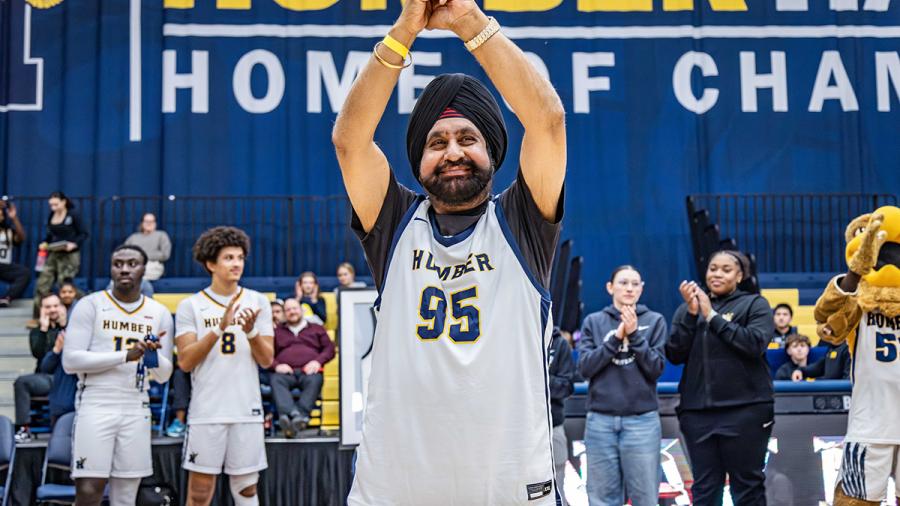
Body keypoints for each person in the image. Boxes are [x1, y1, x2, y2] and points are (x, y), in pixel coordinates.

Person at [332, 0, 566, 501]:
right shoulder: (394, 223)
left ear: (492, 150)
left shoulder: (521, 221)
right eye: (436, 142)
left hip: (505, 486)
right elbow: (350, 140)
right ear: (417, 159)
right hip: (396, 489)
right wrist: (404, 30)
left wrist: (468, 22)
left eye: (467, 137)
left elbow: (546, 120)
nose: (453, 152)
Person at [63, 245, 174, 506]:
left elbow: (163, 375)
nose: (124, 268)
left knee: (126, 494)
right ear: (111, 268)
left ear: (145, 269)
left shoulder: (158, 313)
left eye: (132, 263)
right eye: (118, 263)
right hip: (96, 402)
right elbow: (70, 361)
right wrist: (126, 355)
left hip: (136, 403)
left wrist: (150, 356)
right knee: (89, 488)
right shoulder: (89, 305)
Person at [666, 250, 775, 506]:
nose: (717, 273)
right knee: (704, 489)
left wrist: (712, 317)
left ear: (740, 276)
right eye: (713, 268)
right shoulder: (688, 309)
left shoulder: (754, 304)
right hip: (698, 413)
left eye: (726, 269)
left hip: (746, 411)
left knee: (747, 488)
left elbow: (754, 344)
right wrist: (692, 315)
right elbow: (674, 353)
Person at [174, 226, 274, 506]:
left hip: (246, 410)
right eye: (229, 257)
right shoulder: (190, 305)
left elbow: (267, 359)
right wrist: (218, 328)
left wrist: (252, 332)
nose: (237, 263)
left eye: (240, 257)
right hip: (207, 411)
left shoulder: (257, 301)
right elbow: (185, 361)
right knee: (200, 493)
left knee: (246, 490)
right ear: (211, 264)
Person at [578, 265, 668, 506]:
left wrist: (635, 335)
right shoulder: (594, 322)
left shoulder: (655, 321)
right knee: (602, 499)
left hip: (642, 421)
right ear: (610, 287)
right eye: (623, 283)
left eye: (635, 284)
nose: (629, 288)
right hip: (600, 422)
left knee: (645, 498)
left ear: (641, 289)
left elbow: (656, 368)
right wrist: (617, 337)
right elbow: (585, 368)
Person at [270, 298, 335, 438]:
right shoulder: (276, 332)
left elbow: (329, 349)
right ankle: (297, 416)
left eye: (294, 308)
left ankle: (295, 416)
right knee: (275, 379)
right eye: (288, 310)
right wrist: (277, 365)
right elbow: (267, 354)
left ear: (301, 310)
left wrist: (318, 362)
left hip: (309, 371)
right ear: (284, 313)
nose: (292, 312)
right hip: (286, 372)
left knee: (315, 379)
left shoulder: (316, 328)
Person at [14, 293, 67, 442]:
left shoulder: (73, 327)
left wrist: (64, 326)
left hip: (67, 378)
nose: (52, 310)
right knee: (21, 382)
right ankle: (23, 428)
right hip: (45, 378)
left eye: (56, 306)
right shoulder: (37, 332)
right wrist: (44, 330)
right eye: (48, 307)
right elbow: (38, 354)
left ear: (62, 307)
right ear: (41, 310)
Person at [33, 191, 88, 319]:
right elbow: (49, 234)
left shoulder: (73, 215)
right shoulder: (51, 214)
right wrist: (45, 243)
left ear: (63, 202)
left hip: (69, 255)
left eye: (56, 204)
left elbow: (83, 234)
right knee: (42, 283)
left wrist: (74, 244)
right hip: (54, 253)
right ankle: (38, 316)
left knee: (65, 285)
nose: (53, 207)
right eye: (51, 205)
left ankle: (81, 307)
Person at [549, 327, 575, 506]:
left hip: (554, 425)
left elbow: (566, 387)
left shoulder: (559, 344)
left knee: (557, 488)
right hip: (519, 429)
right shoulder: (513, 339)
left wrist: (538, 375)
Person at [39, 331, 77, 425]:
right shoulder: (63, 343)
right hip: (60, 403)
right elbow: (45, 367)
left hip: (81, 405)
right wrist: (56, 349)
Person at [0, 200, 30, 307]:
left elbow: (21, 237)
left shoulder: (9, 231)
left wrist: (14, 218)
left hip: (5, 265)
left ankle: (6, 298)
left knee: (25, 272)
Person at [125, 213, 171, 281]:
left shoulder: (161, 235)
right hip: (133, 265)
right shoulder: (133, 237)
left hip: (153, 265)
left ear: (155, 223)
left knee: (139, 278)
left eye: (151, 221)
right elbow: (124, 253)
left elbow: (165, 255)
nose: (149, 223)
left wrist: (140, 255)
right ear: (142, 223)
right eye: (146, 221)